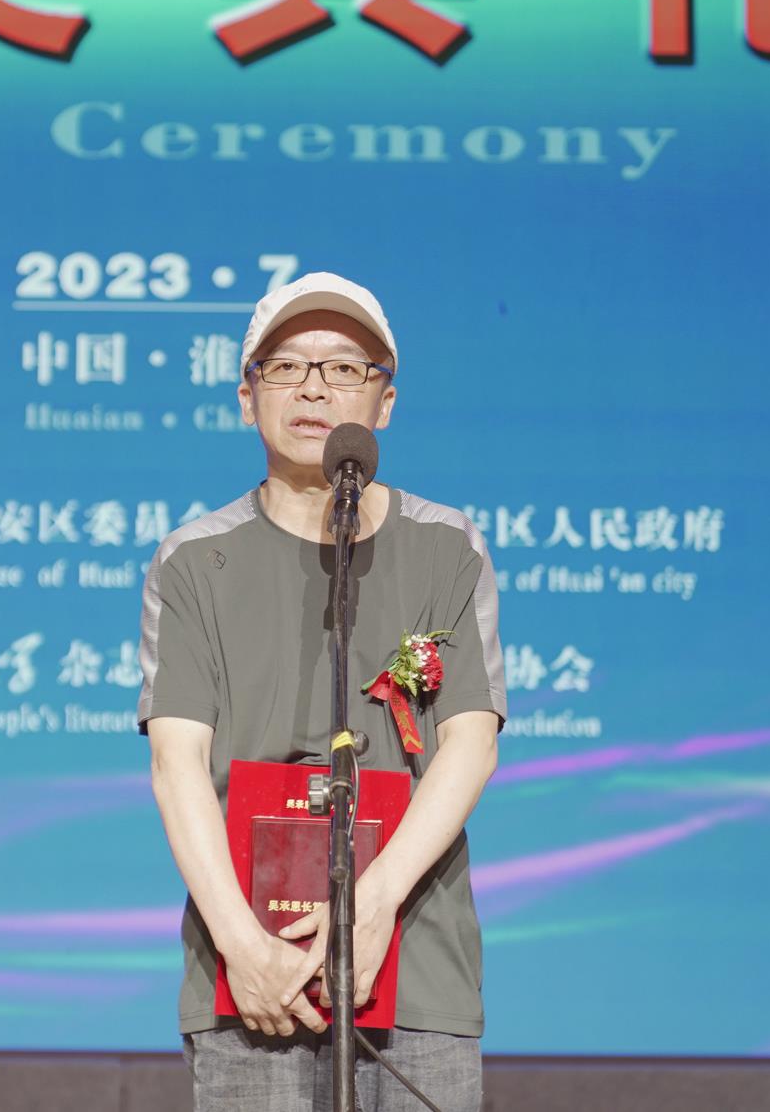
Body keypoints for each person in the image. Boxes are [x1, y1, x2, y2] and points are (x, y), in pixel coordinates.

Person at [138, 272, 505, 1112]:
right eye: (285, 367)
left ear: (385, 402)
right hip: (252, 977)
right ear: (247, 398)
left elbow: (471, 742)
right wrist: (242, 945)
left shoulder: (446, 546)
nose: (313, 387)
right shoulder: (194, 560)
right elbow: (176, 763)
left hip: (416, 957)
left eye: (344, 367)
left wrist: (369, 906)